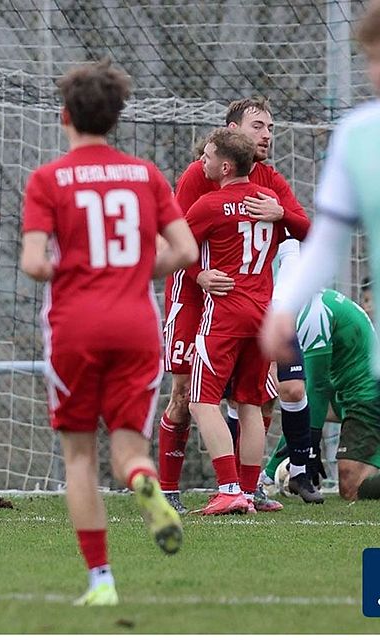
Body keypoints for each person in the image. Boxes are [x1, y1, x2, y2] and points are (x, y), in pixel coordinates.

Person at [20, 61, 197, 606]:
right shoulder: (146, 175)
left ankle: (101, 582)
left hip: (76, 326)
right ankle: (144, 481)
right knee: (128, 450)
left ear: (64, 116)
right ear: (116, 117)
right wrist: (138, 266)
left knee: (79, 457)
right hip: (137, 326)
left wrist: (68, 263)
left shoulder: (48, 179)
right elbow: (186, 251)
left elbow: (33, 263)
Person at [159, 97, 321, 512]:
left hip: (232, 305)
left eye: (270, 126)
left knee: (240, 397)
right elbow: (179, 241)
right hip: (197, 296)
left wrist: (281, 210)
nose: (267, 134)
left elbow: (306, 228)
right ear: (233, 132)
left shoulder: (268, 181)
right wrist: (197, 276)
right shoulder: (199, 175)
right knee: (183, 393)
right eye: (258, 126)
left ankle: (241, 489)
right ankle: (169, 489)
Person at [261, 0, 380, 490]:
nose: (375, 71)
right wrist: (283, 309)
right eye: (371, 57)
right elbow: (325, 242)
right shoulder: (357, 136)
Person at [264, 289, 380, 499]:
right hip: (345, 394)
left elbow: (318, 388)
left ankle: (268, 477)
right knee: (298, 407)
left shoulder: (313, 313)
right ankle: (267, 477)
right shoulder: (300, 307)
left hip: (366, 395)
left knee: (351, 487)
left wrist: (310, 447)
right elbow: (301, 406)